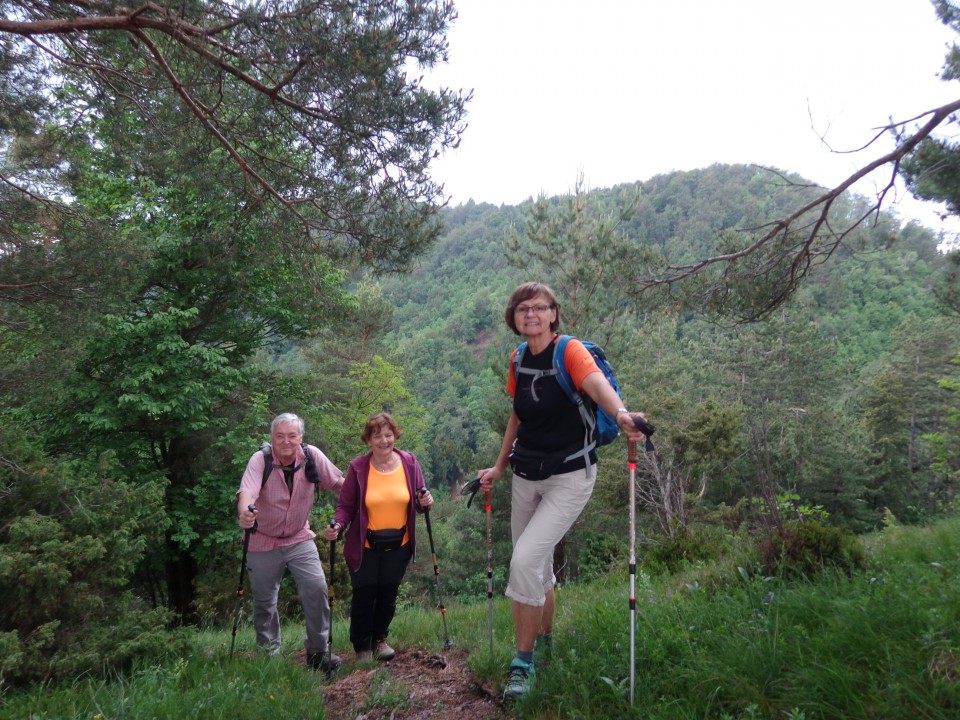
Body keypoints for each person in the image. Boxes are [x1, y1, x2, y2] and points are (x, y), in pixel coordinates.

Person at [477, 281, 650, 701]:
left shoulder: (569, 351)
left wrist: (622, 414)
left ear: (554, 313)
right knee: (534, 567)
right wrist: (500, 465)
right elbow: (517, 417)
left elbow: (595, 385)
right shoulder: (518, 359)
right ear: (514, 319)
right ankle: (545, 638)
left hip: (571, 476)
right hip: (526, 474)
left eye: (539, 308)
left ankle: (523, 662)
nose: (530, 314)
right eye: (522, 309)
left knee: (523, 562)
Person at [236, 412, 344, 671]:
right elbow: (247, 492)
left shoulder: (311, 456)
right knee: (264, 601)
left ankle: (319, 652)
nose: (286, 441)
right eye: (280, 436)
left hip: (298, 536)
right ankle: (269, 654)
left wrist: (366, 495)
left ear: (301, 437)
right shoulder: (260, 460)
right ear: (271, 438)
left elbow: (339, 483)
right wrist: (244, 513)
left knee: (316, 588)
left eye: (292, 436)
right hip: (261, 538)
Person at [324, 412, 434, 663]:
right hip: (365, 546)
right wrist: (338, 526)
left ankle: (380, 640)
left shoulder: (409, 462)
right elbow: (346, 506)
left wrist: (425, 501)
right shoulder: (358, 468)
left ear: (395, 436)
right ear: (368, 440)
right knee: (364, 594)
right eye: (377, 436)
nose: (384, 441)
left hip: (400, 544)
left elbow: (420, 498)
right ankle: (362, 646)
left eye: (389, 435)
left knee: (388, 594)